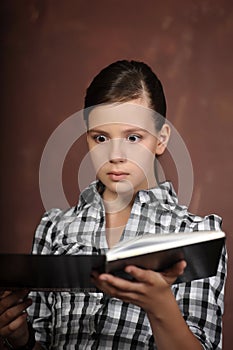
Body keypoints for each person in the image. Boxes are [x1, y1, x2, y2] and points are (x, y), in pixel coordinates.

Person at [0, 60, 227, 349]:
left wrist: (161, 306)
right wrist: (21, 338)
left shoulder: (197, 234)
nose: (115, 154)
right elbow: (41, 341)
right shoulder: (54, 227)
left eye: (133, 137)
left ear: (161, 139)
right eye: (101, 138)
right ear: (87, 139)